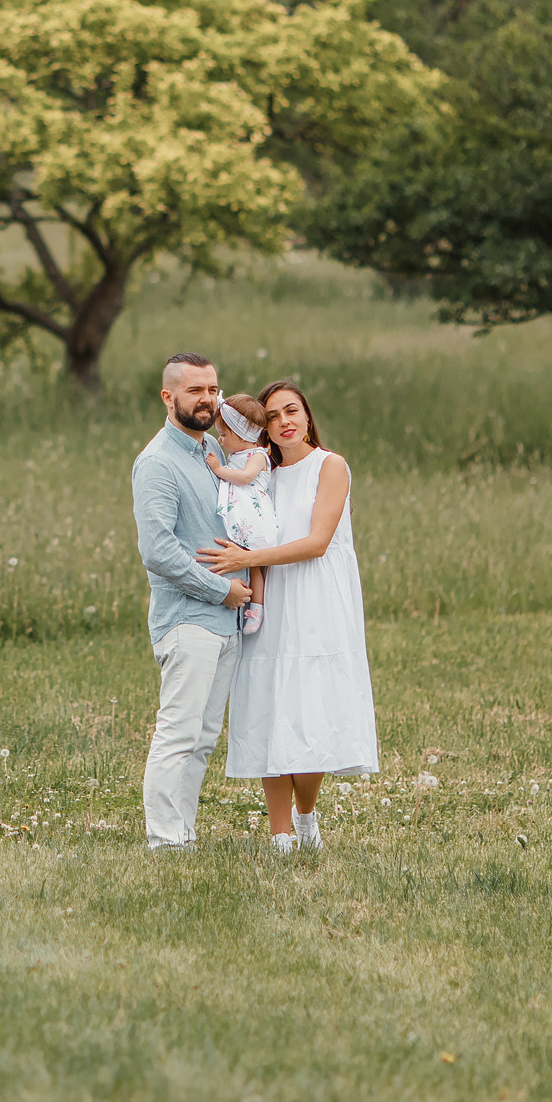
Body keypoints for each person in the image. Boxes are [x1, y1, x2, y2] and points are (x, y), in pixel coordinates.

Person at [197, 380, 379, 854]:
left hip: (318, 598)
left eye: (291, 410)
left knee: (310, 709)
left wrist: (247, 557)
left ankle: (305, 817)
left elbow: (317, 542)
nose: (285, 422)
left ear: (307, 414)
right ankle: (279, 835)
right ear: (263, 427)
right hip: (270, 599)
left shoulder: (330, 466)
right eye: (273, 416)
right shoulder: (262, 474)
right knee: (267, 706)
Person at [131, 352, 254, 850]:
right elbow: (158, 551)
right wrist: (222, 589)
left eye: (212, 390)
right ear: (168, 396)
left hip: (226, 623)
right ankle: (164, 841)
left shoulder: (216, 454)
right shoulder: (157, 463)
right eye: (195, 391)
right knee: (178, 735)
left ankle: (183, 835)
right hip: (188, 619)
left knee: (202, 741)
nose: (207, 400)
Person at [204, 394, 279, 634]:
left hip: (253, 515)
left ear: (241, 435)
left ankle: (257, 608)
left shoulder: (256, 456)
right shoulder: (237, 455)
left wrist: (218, 469)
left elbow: (245, 478)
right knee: (244, 558)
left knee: (254, 562)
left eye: (224, 435)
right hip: (241, 515)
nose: (220, 439)